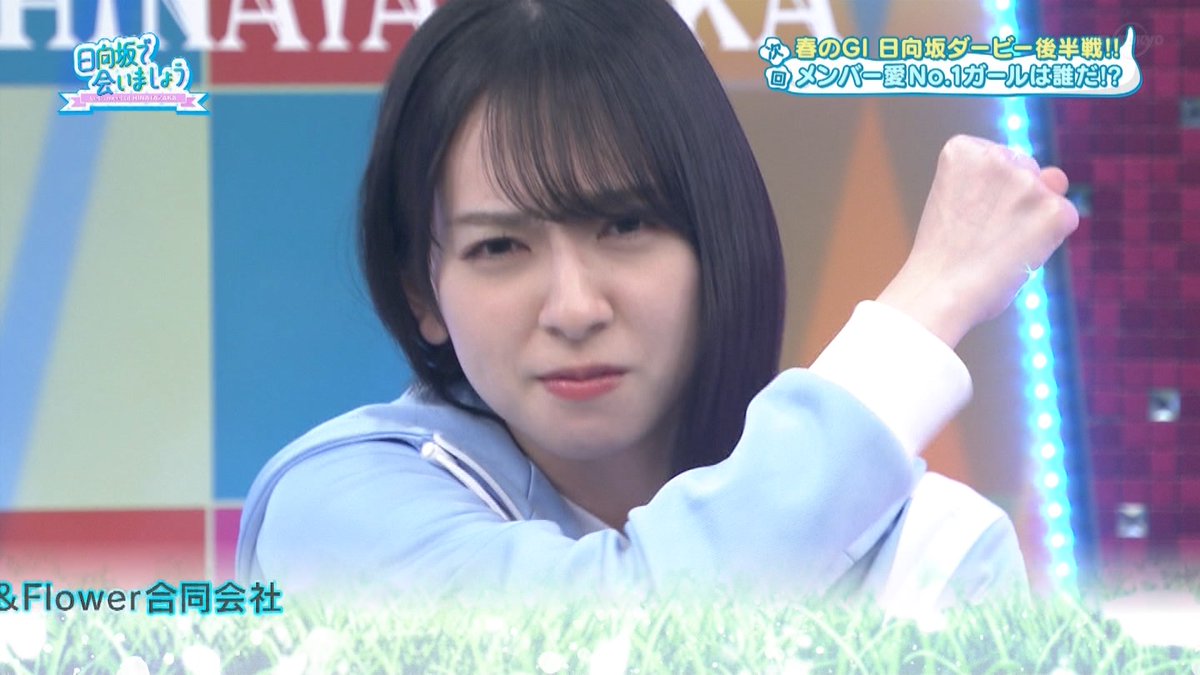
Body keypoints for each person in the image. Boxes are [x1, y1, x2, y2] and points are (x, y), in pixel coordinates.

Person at [235, 0, 1078, 610]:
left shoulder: (932, 550)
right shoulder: (336, 511)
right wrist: (923, 309)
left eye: (625, 225)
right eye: (499, 247)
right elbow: (622, 632)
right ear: (424, 293)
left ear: (717, 238)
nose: (573, 307)